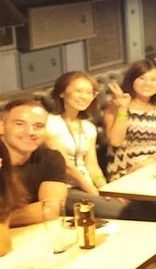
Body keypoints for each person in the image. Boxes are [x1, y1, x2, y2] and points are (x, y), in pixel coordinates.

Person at [44, 72, 128, 218]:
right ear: (62, 93)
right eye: (79, 91)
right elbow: (68, 167)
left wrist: (105, 189)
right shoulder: (50, 124)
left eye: (89, 92)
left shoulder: (88, 127)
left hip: (86, 187)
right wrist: (94, 192)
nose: (84, 96)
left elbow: (92, 165)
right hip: (64, 189)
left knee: (125, 204)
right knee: (121, 211)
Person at [1, 97, 68, 227]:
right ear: (2, 126)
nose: (30, 132)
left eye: (38, 126)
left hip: (33, 231)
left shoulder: (50, 158)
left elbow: (51, 209)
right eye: (19, 124)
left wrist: (4, 217)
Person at [104, 60, 156, 181]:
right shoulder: (115, 106)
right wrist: (123, 107)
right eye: (141, 78)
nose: (147, 83)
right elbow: (115, 142)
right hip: (125, 170)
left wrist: (149, 162)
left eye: (153, 79)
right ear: (132, 80)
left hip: (152, 165)